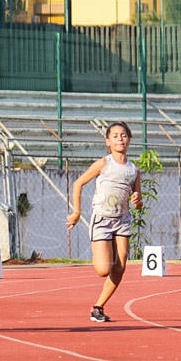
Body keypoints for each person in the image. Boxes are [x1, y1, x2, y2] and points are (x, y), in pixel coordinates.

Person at [67, 122, 143, 323]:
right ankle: (103, 247)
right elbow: (78, 183)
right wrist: (76, 212)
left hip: (122, 221)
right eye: (116, 136)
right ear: (108, 141)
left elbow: (138, 200)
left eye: (124, 135)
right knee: (103, 270)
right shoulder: (103, 163)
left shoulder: (134, 170)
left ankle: (98, 306)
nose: (121, 138)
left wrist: (137, 200)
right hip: (102, 219)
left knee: (120, 266)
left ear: (129, 140)